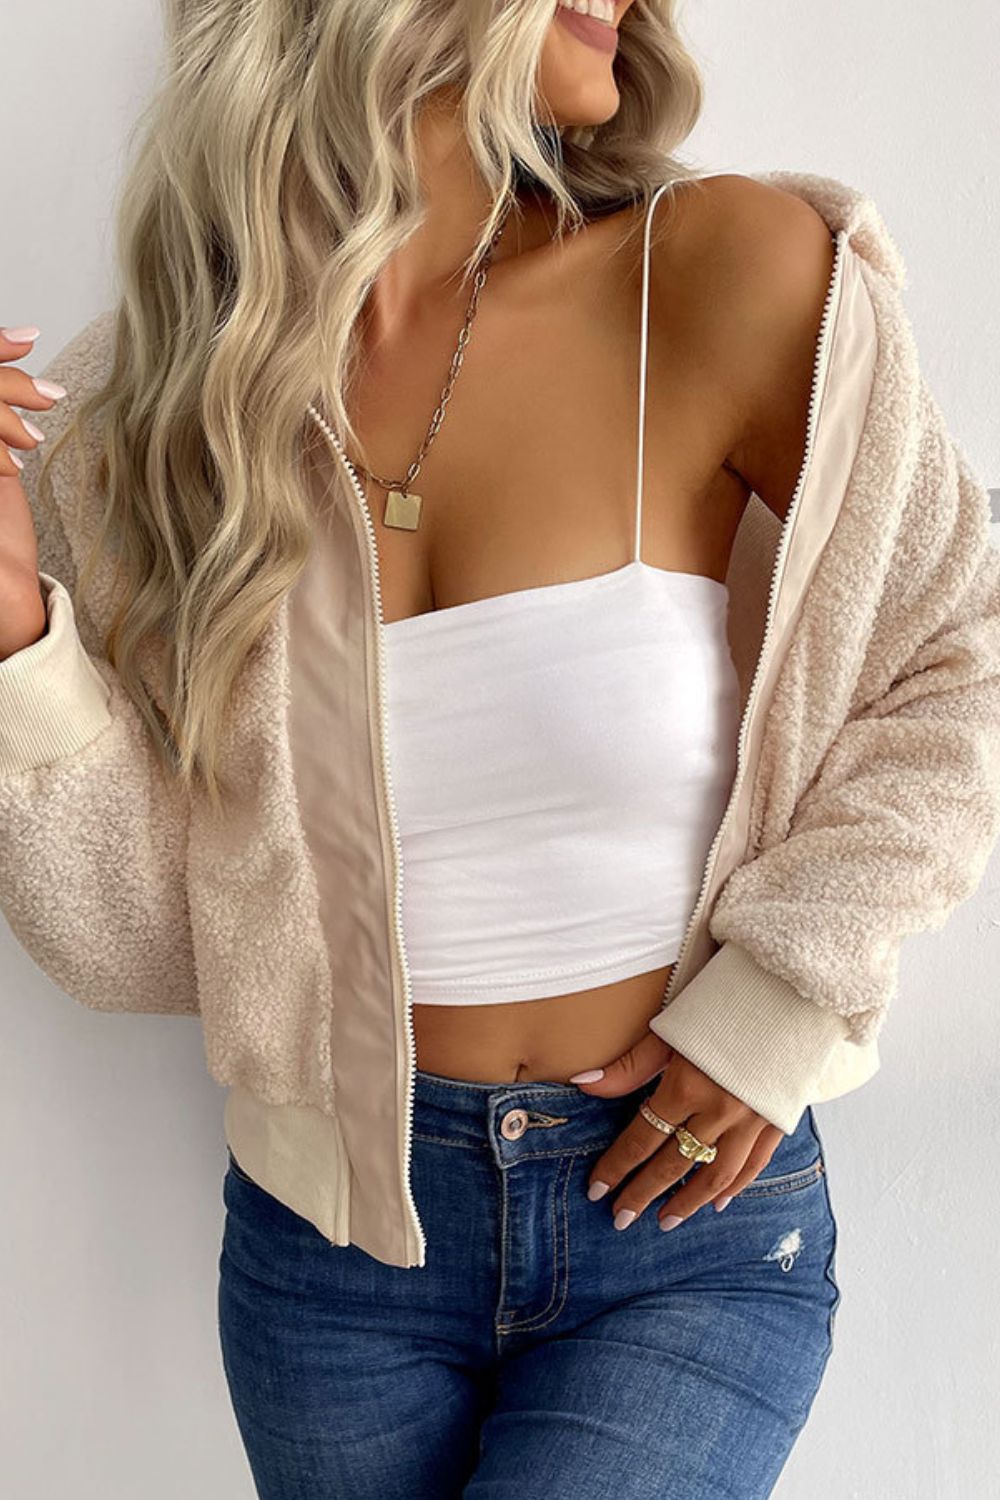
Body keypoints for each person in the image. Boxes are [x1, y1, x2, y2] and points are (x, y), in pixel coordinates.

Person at [2, 2, 999, 1496]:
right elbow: (145, 948)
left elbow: (958, 654)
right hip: (329, 1259)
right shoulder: (148, 423)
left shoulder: (714, 271)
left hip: (677, 1220)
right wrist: (18, 631)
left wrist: (780, 1005)